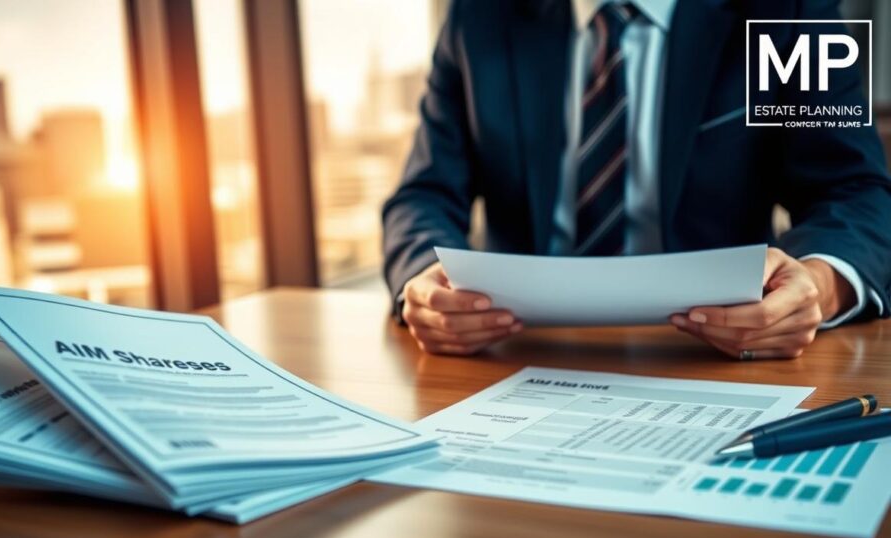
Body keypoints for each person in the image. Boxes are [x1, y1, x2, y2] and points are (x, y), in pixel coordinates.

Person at [382, 0, 891, 359]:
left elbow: (854, 190)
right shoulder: (480, 18)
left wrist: (819, 288)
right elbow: (423, 195)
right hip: (516, 352)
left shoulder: (788, 15)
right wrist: (422, 286)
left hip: (717, 353)